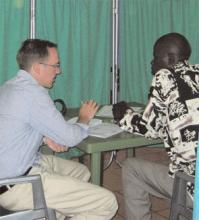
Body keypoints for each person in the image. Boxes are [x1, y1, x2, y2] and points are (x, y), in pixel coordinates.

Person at [0, 39, 118, 220]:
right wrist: (84, 118)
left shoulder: (10, 87)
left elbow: (15, 129)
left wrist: (44, 138)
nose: (59, 71)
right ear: (38, 68)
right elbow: (70, 138)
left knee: (82, 172)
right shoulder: (33, 94)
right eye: (55, 65)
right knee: (107, 202)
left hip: (21, 168)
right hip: (17, 185)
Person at [117, 33, 199, 220]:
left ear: (170, 59)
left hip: (193, 188)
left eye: (155, 57)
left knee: (131, 168)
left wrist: (124, 116)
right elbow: (176, 125)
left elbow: (149, 128)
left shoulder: (165, 77)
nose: (152, 63)